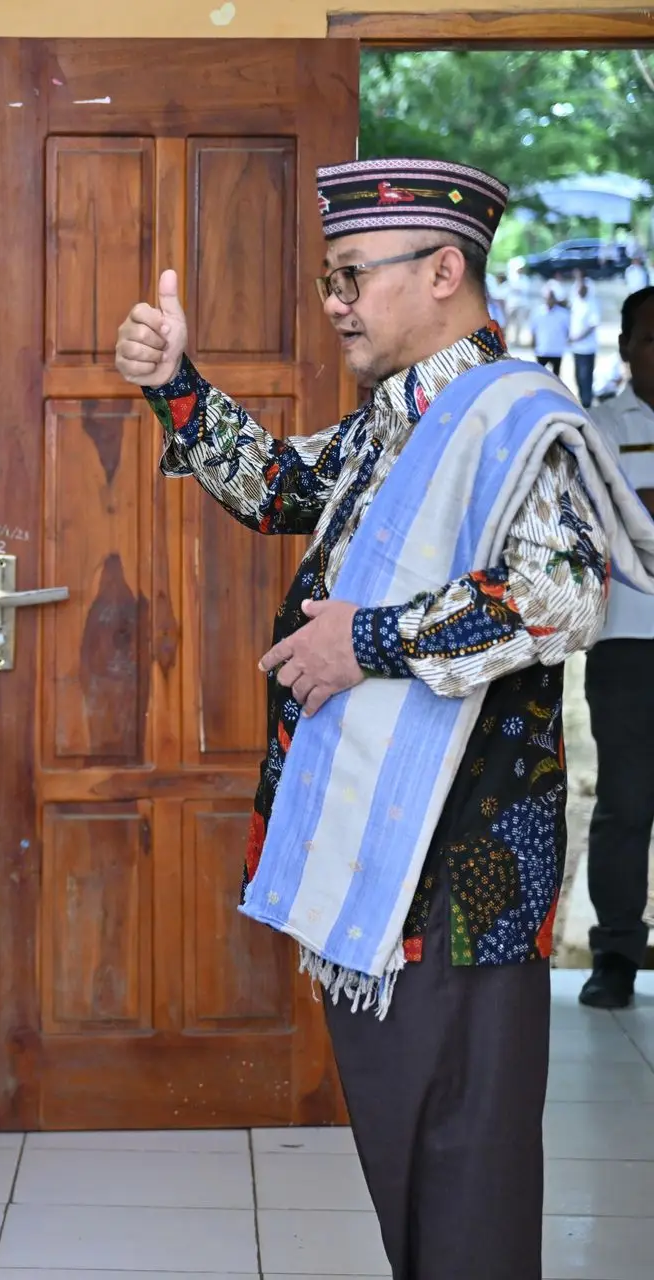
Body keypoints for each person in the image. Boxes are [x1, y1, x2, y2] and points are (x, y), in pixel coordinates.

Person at [114, 157, 654, 1279]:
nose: (335, 301)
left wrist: (363, 639)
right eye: (330, 277)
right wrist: (176, 382)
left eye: (353, 274)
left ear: (444, 269)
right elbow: (274, 483)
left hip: (470, 864)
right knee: (413, 1151)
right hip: (385, 858)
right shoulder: (388, 422)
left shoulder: (516, 418)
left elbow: (562, 594)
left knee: (466, 1159)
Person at [580, 285, 654, 1009]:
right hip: (628, 641)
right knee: (627, 803)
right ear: (627, 347)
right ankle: (617, 954)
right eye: (653, 338)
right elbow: (601, 524)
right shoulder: (596, 427)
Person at [570, 274, 601, 407]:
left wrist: (579, 337)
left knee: (586, 377)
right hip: (576, 348)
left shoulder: (592, 303)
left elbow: (593, 325)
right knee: (577, 377)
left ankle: (587, 403)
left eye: (582, 288)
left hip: (588, 348)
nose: (580, 290)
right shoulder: (576, 302)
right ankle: (583, 400)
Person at [534, 281, 571, 375]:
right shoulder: (538, 312)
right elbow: (533, 330)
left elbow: (568, 331)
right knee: (540, 375)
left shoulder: (563, 314)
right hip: (542, 350)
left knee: (556, 376)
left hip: (557, 350)